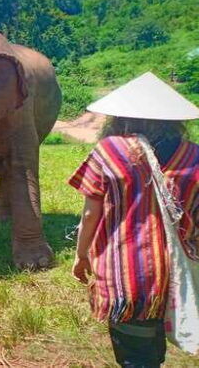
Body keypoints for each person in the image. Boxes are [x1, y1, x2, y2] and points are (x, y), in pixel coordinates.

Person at [68, 72, 199, 367]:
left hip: (127, 274)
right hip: (177, 275)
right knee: (152, 348)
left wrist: (81, 256)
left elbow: (90, 213)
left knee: (136, 356)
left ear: (120, 116)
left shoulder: (109, 151)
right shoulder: (194, 156)